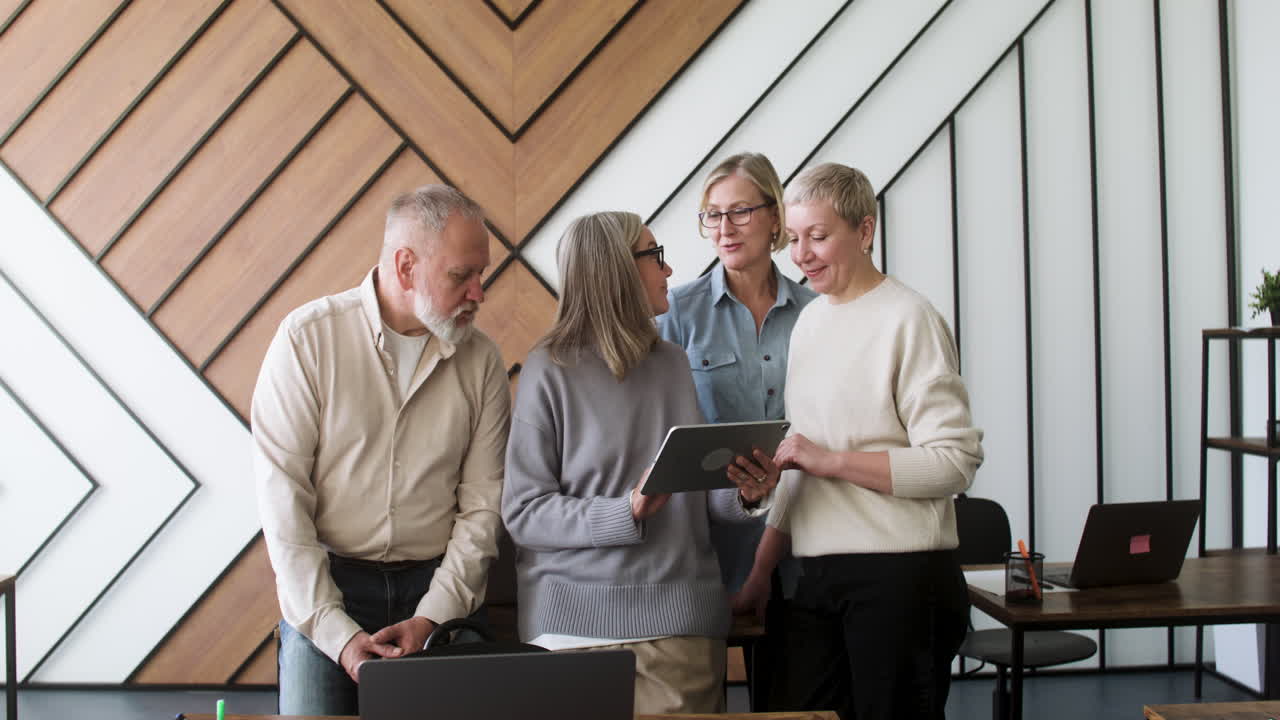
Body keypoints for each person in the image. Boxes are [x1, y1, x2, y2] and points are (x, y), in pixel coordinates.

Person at [501, 211, 778, 715]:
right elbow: (525, 513)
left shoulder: (672, 362)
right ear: (617, 270)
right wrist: (626, 510)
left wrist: (744, 492)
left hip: (679, 630)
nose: (669, 271)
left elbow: (695, 486)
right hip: (570, 633)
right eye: (656, 256)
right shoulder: (548, 368)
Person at [252, 185, 510, 716]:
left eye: (481, 275)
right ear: (407, 266)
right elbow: (283, 507)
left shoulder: (482, 361)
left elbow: (483, 508)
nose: (479, 294)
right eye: (462, 275)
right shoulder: (307, 341)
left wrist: (432, 616)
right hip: (328, 590)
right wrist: (336, 633)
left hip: (442, 589)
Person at [754, 163, 983, 720]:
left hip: (901, 578)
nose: (801, 254)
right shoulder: (808, 324)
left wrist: (832, 461)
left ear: (865, 230)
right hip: (816, 578)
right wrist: (760, 572)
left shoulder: (910, 318)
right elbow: (799, 461)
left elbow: (954, 463)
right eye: (793, 240)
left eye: (819, 235)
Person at [657, 152, 815, 708]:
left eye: (740, 212)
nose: (724, 229)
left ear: (776, 217)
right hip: (708, 549)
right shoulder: (676, 314)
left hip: (802, 542)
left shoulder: (816, 314)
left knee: (792, 701)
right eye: (712, 215)